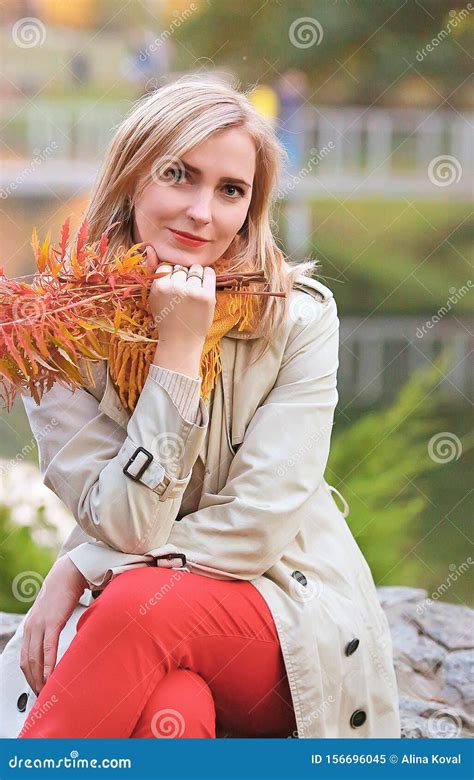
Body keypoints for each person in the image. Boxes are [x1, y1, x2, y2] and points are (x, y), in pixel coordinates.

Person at [1, 73, 400, 739]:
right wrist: (177, 358)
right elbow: (127, 523)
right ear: (131, 178)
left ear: (252, 205)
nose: (202, 212)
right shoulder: (58, 335)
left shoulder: (296, 320)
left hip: (284, 628)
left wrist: (81, 563)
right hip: (154, 636)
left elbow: (254, 525)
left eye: (230, 190)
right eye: (178, 175)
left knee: (133, 604)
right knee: (174, 713)